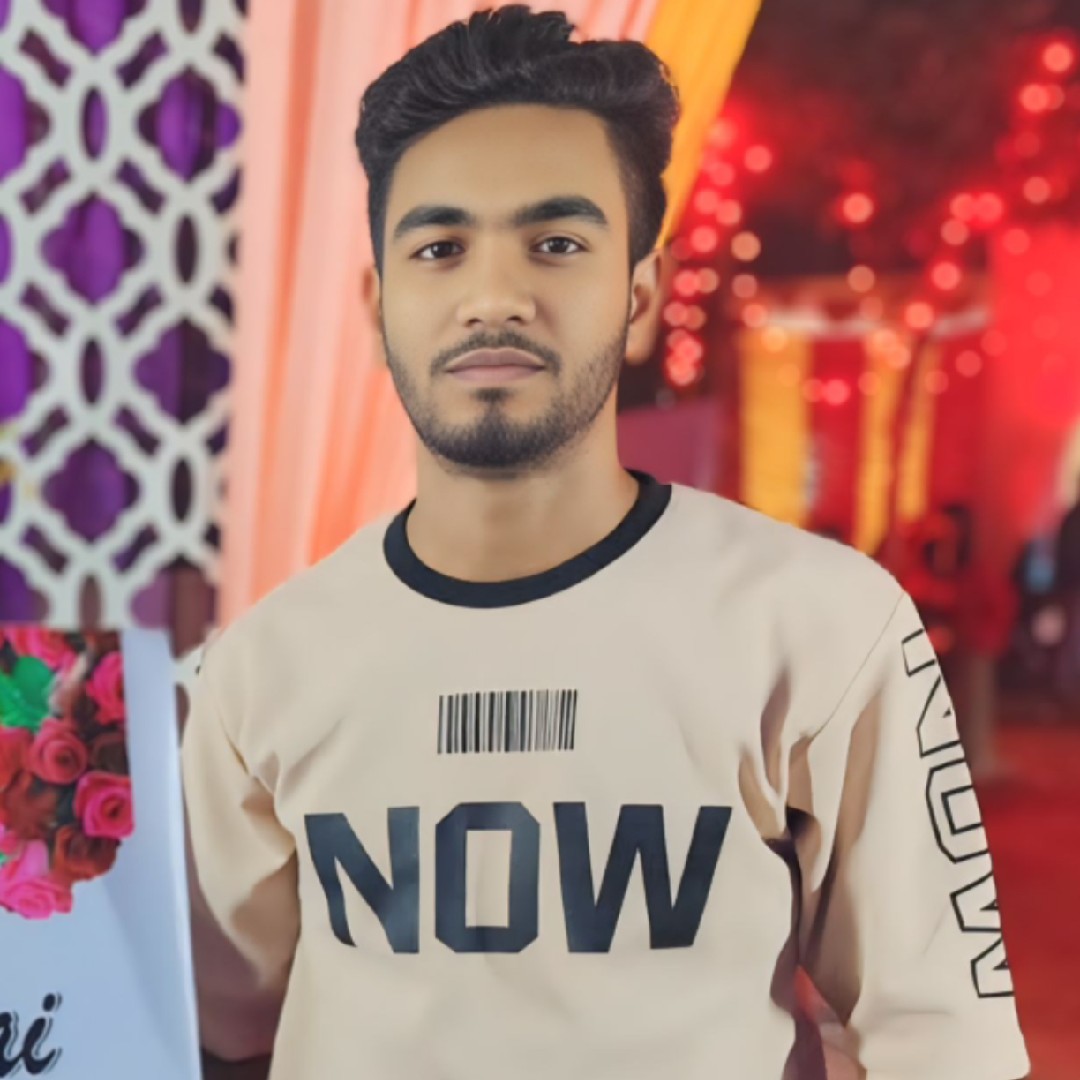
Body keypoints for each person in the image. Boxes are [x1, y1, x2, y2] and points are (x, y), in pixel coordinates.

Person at [181, 7, 1030, 1079]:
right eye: (440, 249)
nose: (494, 297)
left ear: (639, 295)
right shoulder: (263, 667)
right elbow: (213, 1027)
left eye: (556, 244)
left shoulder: (819, 624)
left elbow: (943, 1040)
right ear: (378, 303)